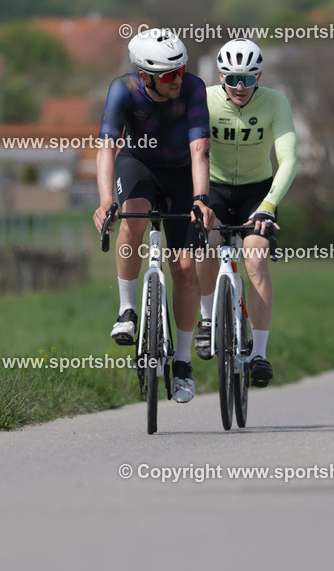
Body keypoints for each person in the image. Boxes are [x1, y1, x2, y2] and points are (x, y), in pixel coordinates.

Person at [93, 29, 216, 404]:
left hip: (181, 172)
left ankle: (182, 363)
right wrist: (103, 202)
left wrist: (200, 199)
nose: (177, 79)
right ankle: (127, 309)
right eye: (167, 75)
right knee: (132, 221)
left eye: (180, 70)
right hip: (139, 165)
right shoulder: (124, 90)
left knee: (183, 267)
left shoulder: (193, 88)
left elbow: (200, 149)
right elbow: (106, 148)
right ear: (145, 76)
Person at [193, 38, 297, 388]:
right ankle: (207, 321)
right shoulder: (204, 99)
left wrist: (268, 206)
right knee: (206, 244)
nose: (240, 87)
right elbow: (190, 152)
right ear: (221, 75)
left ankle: (259, 354)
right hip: (215, 189)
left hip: (257, 191)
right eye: (234, 78)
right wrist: (198, 197)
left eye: (249, 79)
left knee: (255, 259)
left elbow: (289, 160)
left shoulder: (275, 102)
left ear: (260, 77)